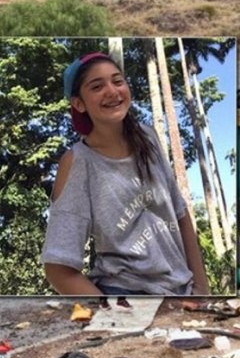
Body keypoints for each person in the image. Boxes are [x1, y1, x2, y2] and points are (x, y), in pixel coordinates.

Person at [42, 52, 210, 296]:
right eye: (97, 86)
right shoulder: (78, 162)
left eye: (117, 81)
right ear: (79, 104)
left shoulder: (148, 138)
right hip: (126, 293)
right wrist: (112, 314)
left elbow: (180, 213)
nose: (112, 91)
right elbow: (57, 268)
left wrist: (202, 287)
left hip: (181, 291)